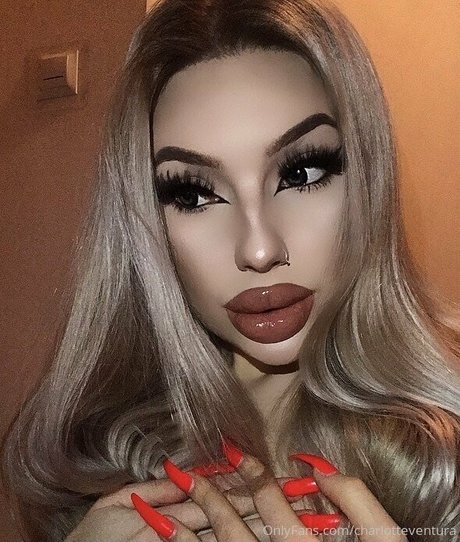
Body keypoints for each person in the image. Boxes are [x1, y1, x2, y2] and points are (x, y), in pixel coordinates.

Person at [2, 0, 459, 540]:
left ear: (367, 174)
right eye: (193, 194)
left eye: (301, 172)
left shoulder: (445, 445)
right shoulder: (96, 455)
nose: (259, 250)